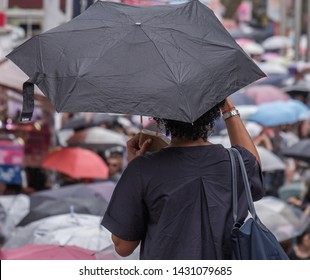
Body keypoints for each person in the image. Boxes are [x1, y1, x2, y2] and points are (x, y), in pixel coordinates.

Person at [101, 98, 265, 260]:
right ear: (213, 113)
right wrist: (228, 107)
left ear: (160, 118)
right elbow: (253, 164)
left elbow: (122, 246)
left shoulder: (142, 169)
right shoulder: (238, 163)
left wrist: (134, 170)